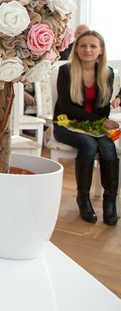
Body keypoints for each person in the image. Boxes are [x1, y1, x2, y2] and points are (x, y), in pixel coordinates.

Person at [53, 30, 118, 226]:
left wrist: (115, 101)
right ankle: (83, 199)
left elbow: (103, 110)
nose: (87, 50)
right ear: (76, 49)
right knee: (89, 145)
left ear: (101, 50)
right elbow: (66, 107)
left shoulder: (108, 73)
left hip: (94, 125)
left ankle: (110, 202)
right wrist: (99, 121)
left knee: (108, 148)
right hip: (67, 124)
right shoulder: (66, 71)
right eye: (83, 45)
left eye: (93, 46)